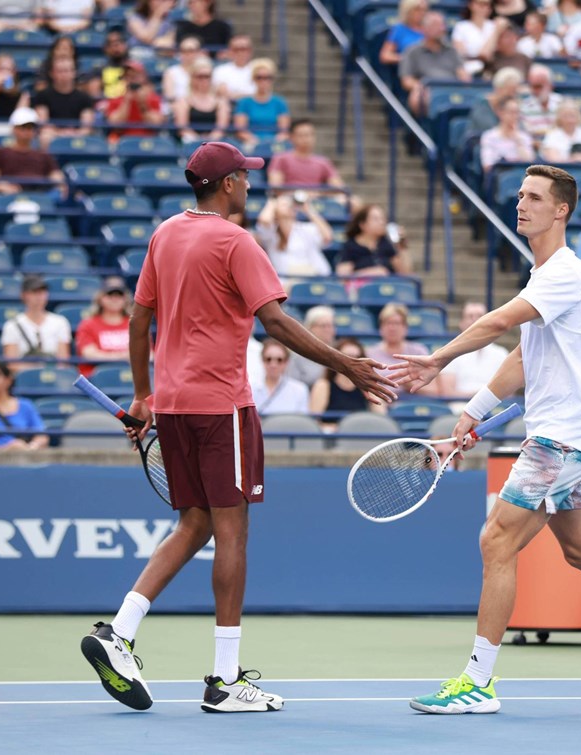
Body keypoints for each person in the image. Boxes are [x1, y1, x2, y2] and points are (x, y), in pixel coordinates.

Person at [80, 140, 395, 713]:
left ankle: (119, 632)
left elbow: (138, 321)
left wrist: (143, 396)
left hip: (173, 405)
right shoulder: (236, 241)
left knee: (194, 523)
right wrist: (346, 364)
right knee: (232, 534)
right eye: (244, 177)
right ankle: (224, 681)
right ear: (226, 184)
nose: (250, 184)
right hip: (221, 405)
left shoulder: (164, 234)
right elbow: (274, 320)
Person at [390, 164, 581, 715]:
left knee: (496, 541)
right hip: (565, 436)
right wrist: (473, 411)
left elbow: (495, 326)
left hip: (561, 439)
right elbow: (521, 357)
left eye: (534, 197)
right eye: (519, 196)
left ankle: (476, 682)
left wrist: (437, 359)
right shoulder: (542, 278)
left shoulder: (565, 272)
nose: (521, 205)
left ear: (561, 209)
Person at [399, 12, 470, 116]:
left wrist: (466, 84)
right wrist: (420, 87)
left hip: (453, 89)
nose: (442, 29)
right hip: (429, 90)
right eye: (436, 25)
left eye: (443, 25)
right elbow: (406, 80)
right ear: (424, 28)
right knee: (418, 97)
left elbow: (463, 74)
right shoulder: (412, 51)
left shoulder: (451, 50)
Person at [0, 108, 67, 197]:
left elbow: (57, 178)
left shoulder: (44, 155)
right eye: (23, 127)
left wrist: (63, 187)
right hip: (11, 196)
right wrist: (4, 187)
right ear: (14, 129)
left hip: (40, 194)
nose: (27, 131)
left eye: (31, 128)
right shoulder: (0, 152)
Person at [441, 301, 511, 398]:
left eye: (480, 316)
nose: (475, 320)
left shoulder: (502, 353)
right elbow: (447, 392)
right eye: (470, 316)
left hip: (495, 408)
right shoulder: (449, 352)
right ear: (461, 323)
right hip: (458, 408)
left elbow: (509, 392)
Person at [366, 302, 439, 394]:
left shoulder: (419, 351)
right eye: (388, 323)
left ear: (405, 327)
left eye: (397, 323)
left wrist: (409, 384)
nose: (392, 328)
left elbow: (434, 391)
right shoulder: (370, 353)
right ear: (381, 328)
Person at [254, 194, 333, 278]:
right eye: (284, 204)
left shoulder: (306, 228)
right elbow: (264, 220)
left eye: (290, 204)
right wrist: (272, 202)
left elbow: (327, 237)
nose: (289, 206)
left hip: (314, 275)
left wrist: (309, 210)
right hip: (286, 281)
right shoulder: (271, 232)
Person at [1, 274, 73, 365]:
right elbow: (12, 364)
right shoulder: (11, 325)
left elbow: (63, 362)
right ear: (24, 295)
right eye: (34, 292)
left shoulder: (60, 322)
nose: (39, 296)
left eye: (42, 292)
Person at [309, 338, 385, 421]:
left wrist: (370, 386)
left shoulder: (368, 387)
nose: (352, 363)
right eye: (347, 357)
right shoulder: (323, 385)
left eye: (357, 358)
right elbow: (315, 420)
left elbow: (381, 418)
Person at [267, 119, 346, 195]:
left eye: (309, 135)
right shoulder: (280, 158)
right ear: (291, 137)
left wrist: (318, 194)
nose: (306, 139)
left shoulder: (323, 162)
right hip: (288, 201)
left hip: (317, 202)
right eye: (301, 135)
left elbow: (338, 186)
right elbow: (275, 187)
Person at [32, 55, 96, 148]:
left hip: (77, 135)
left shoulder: (84, 97)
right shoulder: (43, 96)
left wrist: (74, 134)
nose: (64, 74)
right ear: (52, 73)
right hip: (53, 134)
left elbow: (86, 127)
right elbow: (43, 122)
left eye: (67, 70)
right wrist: (61, 133)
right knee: (45, 136)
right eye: (60, 71)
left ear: (74, 73)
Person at [75, 276, 132, 378]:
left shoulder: (135, 324)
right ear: (100, 298)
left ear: (125, 299)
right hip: (96, 382)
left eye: (119, 295)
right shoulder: (88, 324)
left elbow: (149, 354)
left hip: (130, 378)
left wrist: (108, 356)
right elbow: (89, 354)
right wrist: (124, 356)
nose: (115, 299)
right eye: (110, 294)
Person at [337, 202, 412, 276]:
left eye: (383, 218)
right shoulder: (350, 246)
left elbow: (405, 273)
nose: (382, 222)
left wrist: (402, 247)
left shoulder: (386, 243)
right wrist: (371, 273)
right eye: (376, 219)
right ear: (362, 224)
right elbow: (343, 276)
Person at [232, 58, 290, 149]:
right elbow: (241, 130)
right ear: (253, 79)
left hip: (274, 143)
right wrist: (254, 140)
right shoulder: (244, 102)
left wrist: (274, 141)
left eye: (267, 77)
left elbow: (284, 131)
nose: (263, 81)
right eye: (259, 77)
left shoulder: (279, 102)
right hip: (250, 143)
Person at [173, 56, 230, 142]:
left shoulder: (220, 102)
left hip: (215, 144)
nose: (204, 80)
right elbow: (183, 128)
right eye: (200, 76)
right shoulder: (183, 101)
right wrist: (199, 142)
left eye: (207, 76)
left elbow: (221, 128)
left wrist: (209, 142)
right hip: (190, 144)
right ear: (192, 77)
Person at [104, 61, 166, 138]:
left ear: (143, 77)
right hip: (122, 141)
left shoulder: (154, 99)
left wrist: (143, 105)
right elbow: (116, 126)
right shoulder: (115, 100)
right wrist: (126, 102)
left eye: (135, 76)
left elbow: (156, 124)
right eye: (128, 76)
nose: (132, 79)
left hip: (148, 140)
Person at [251, 339, 311, 415]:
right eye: (268, 359)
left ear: (286, 362)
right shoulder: (250, 390)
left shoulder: (300, 390)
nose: (273, 365)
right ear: (262, 360)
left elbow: (302, 421)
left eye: (279, 360)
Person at [539, 100, 581, 166]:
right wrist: (575, 159)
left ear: (579, 116)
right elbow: (554, 164)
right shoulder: (551, 137)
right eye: (565, 116)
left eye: (572, 115)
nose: (569, 120)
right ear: (559, 118)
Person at [479, 99, 535, 173]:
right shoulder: (489, 136)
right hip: (499, 176)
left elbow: (530, 164)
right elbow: (487, 166)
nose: (515, 116)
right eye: (511, 112)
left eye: (517, 112)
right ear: (501, 113)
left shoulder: (524, 137)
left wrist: (517, 140)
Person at [287, 305, 336, 387]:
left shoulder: (340, 351)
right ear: (310, 328)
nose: (328, 330)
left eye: (331, 326)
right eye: (323, 326)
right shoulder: (298, 356)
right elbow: (292, 386)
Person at [519, 64, 563, 145]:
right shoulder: (523, 107)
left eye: (538, 86)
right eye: (531, 86)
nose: (534, 91)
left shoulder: (562, 103)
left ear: (550, 86)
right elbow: (525, 134)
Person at [452, 0, 497, 76]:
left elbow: (491, 54)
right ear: (471, 5)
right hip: (468, 68)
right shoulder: (461, 27)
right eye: (480, 4)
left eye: (487, 5)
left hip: (492, 68)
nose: (484, 8)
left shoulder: (494, 26)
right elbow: (460, 53)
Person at [379, 0, 429, 67]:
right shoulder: (399, 29)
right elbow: (385, 56)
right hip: (409, 70)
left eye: (424, 10)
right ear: (408, 11)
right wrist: (407, 58)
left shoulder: (431, 28)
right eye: (417, 10)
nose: (422, 13)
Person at [212, 35, 256, 100]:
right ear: (230, 51)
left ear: (250, 51)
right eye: (236, 49)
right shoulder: (220, 70)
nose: (240, 52)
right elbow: (223, 94)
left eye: (243, 49)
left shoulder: (258, 70)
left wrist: (235, 95)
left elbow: (262, 94)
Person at [164, 37, 206, 102]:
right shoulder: (171, 72)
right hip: (178, 107)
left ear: (198, 52)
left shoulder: (204, 71)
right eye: (183, 51)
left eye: (191, 51)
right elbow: (170, 97)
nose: (187, 54)